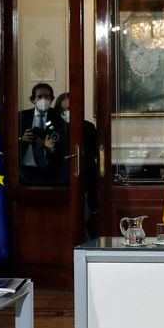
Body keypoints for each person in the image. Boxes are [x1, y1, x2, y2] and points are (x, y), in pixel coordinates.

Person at [55, 92, 98, 231]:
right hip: (60, 182)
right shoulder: (54, 127)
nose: (68, 113)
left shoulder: (88, 127)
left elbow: (93, 154)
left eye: (71, 109)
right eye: (64, 110)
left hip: (85, 180)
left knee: (83, 222)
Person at [17, 83, 65, 184]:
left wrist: (52, 147)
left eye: (47, 96)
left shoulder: (58, 117)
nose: (43, 100)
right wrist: (22, 139)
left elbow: (64, 143)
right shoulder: (22, 116)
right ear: (33, 100)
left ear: (52, 99)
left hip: (51, 172)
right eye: (39, 96)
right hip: (26, 171)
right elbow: (11, 142)